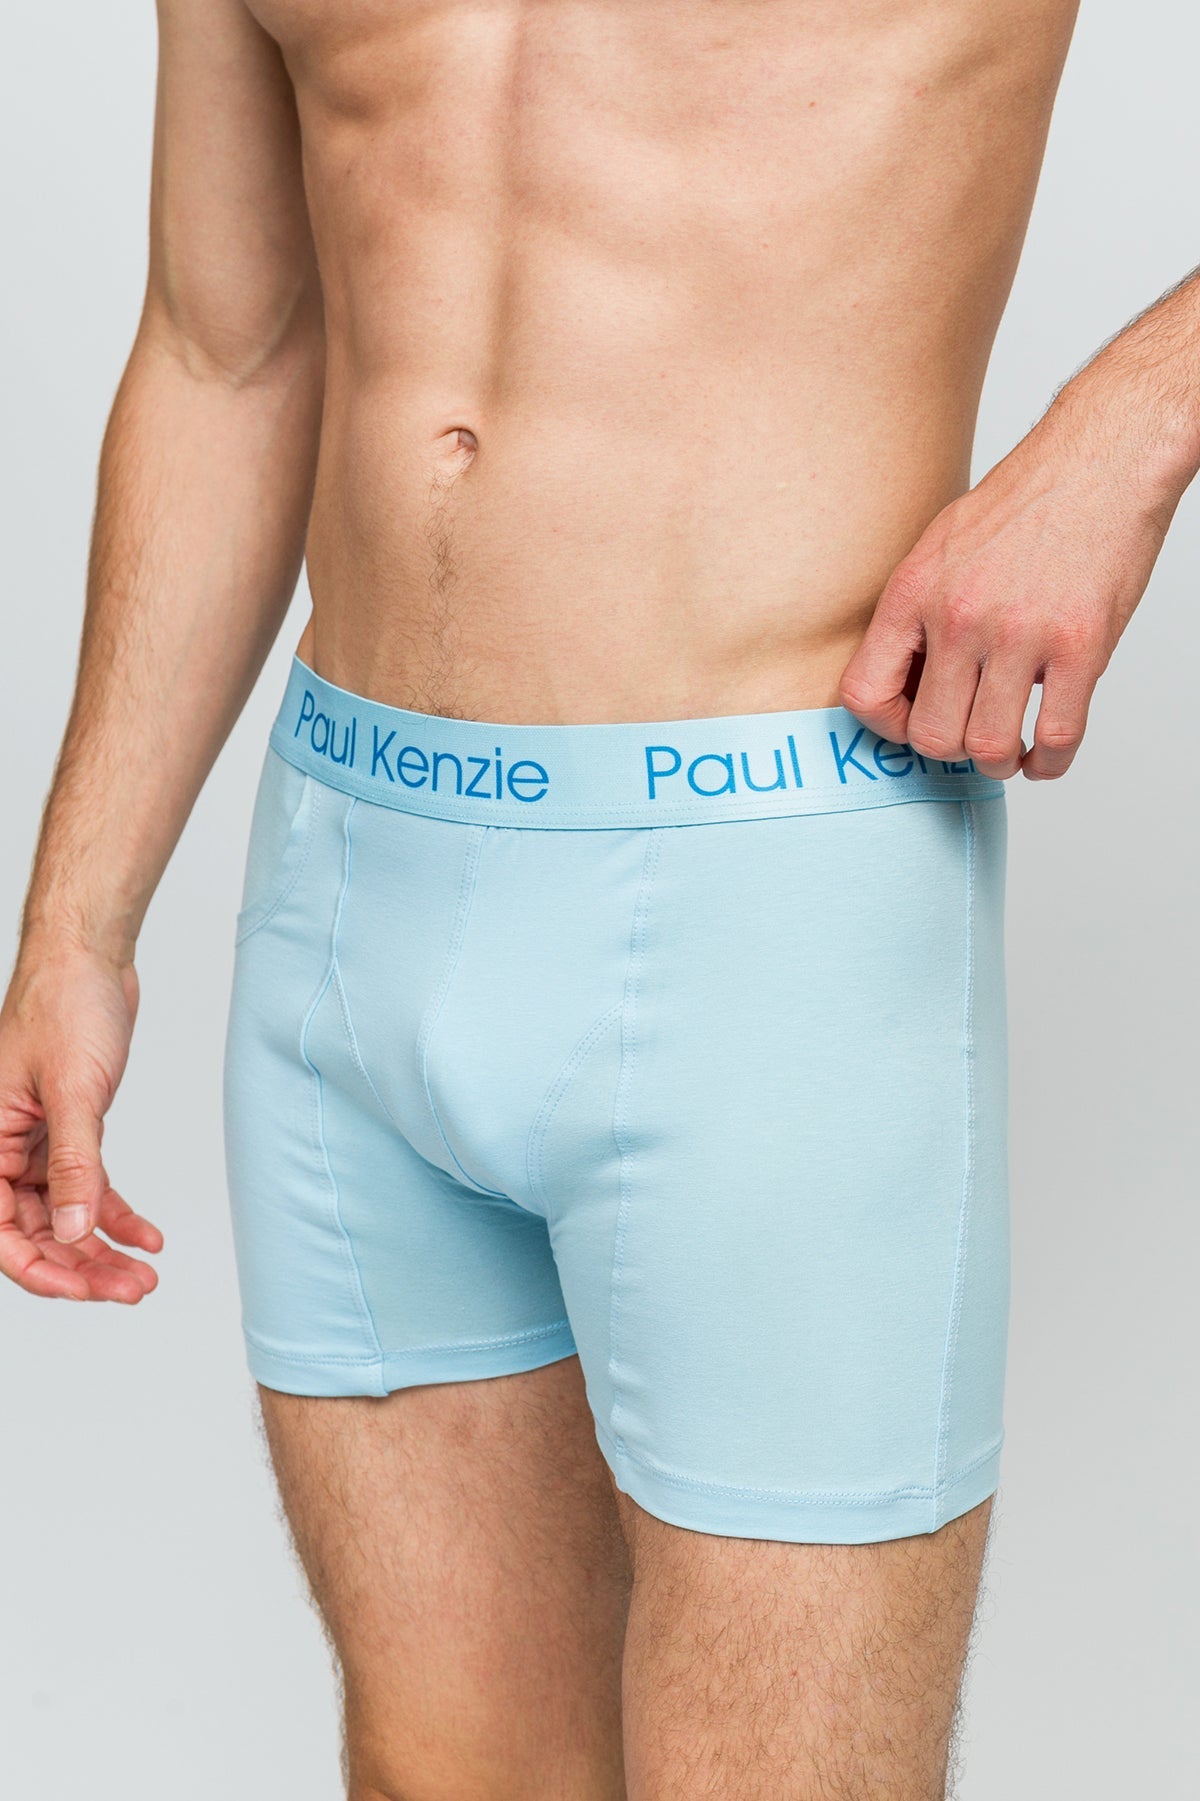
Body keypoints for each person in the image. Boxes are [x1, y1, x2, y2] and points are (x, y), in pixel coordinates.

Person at [2, 1, 1196, 1794]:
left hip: (772, 907)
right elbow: (224, 345)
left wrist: (1129, 427)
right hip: (346, 896)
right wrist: (77, 924)